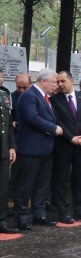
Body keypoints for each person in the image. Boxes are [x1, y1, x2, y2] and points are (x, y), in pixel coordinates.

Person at [13, 68, 63, 229]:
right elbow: (32, 118)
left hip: (45, 149)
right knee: (26, 184)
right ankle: (21, 216)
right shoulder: (29, 96)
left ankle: (39, 214)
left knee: (42, 185)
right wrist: (53, 127)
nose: (56, 85)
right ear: (44, 81)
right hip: (30, 149)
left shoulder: (45, 97)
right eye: (54, 82)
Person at [50, 71, 81, 222]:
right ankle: (63, 211)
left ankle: (80, 208)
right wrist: (71, 138)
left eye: (63, 81)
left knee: (80, 178)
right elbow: (58, 121)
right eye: (58, 82)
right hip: (64, 145)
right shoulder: (54, 100)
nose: (60, 85)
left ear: (71, 80)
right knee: (61, 180)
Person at [0, 85, 17, 233]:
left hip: (3, 149)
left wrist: (11, 146)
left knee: (3, 188)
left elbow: (9, 125)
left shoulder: (4, 95)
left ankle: (1, 220)